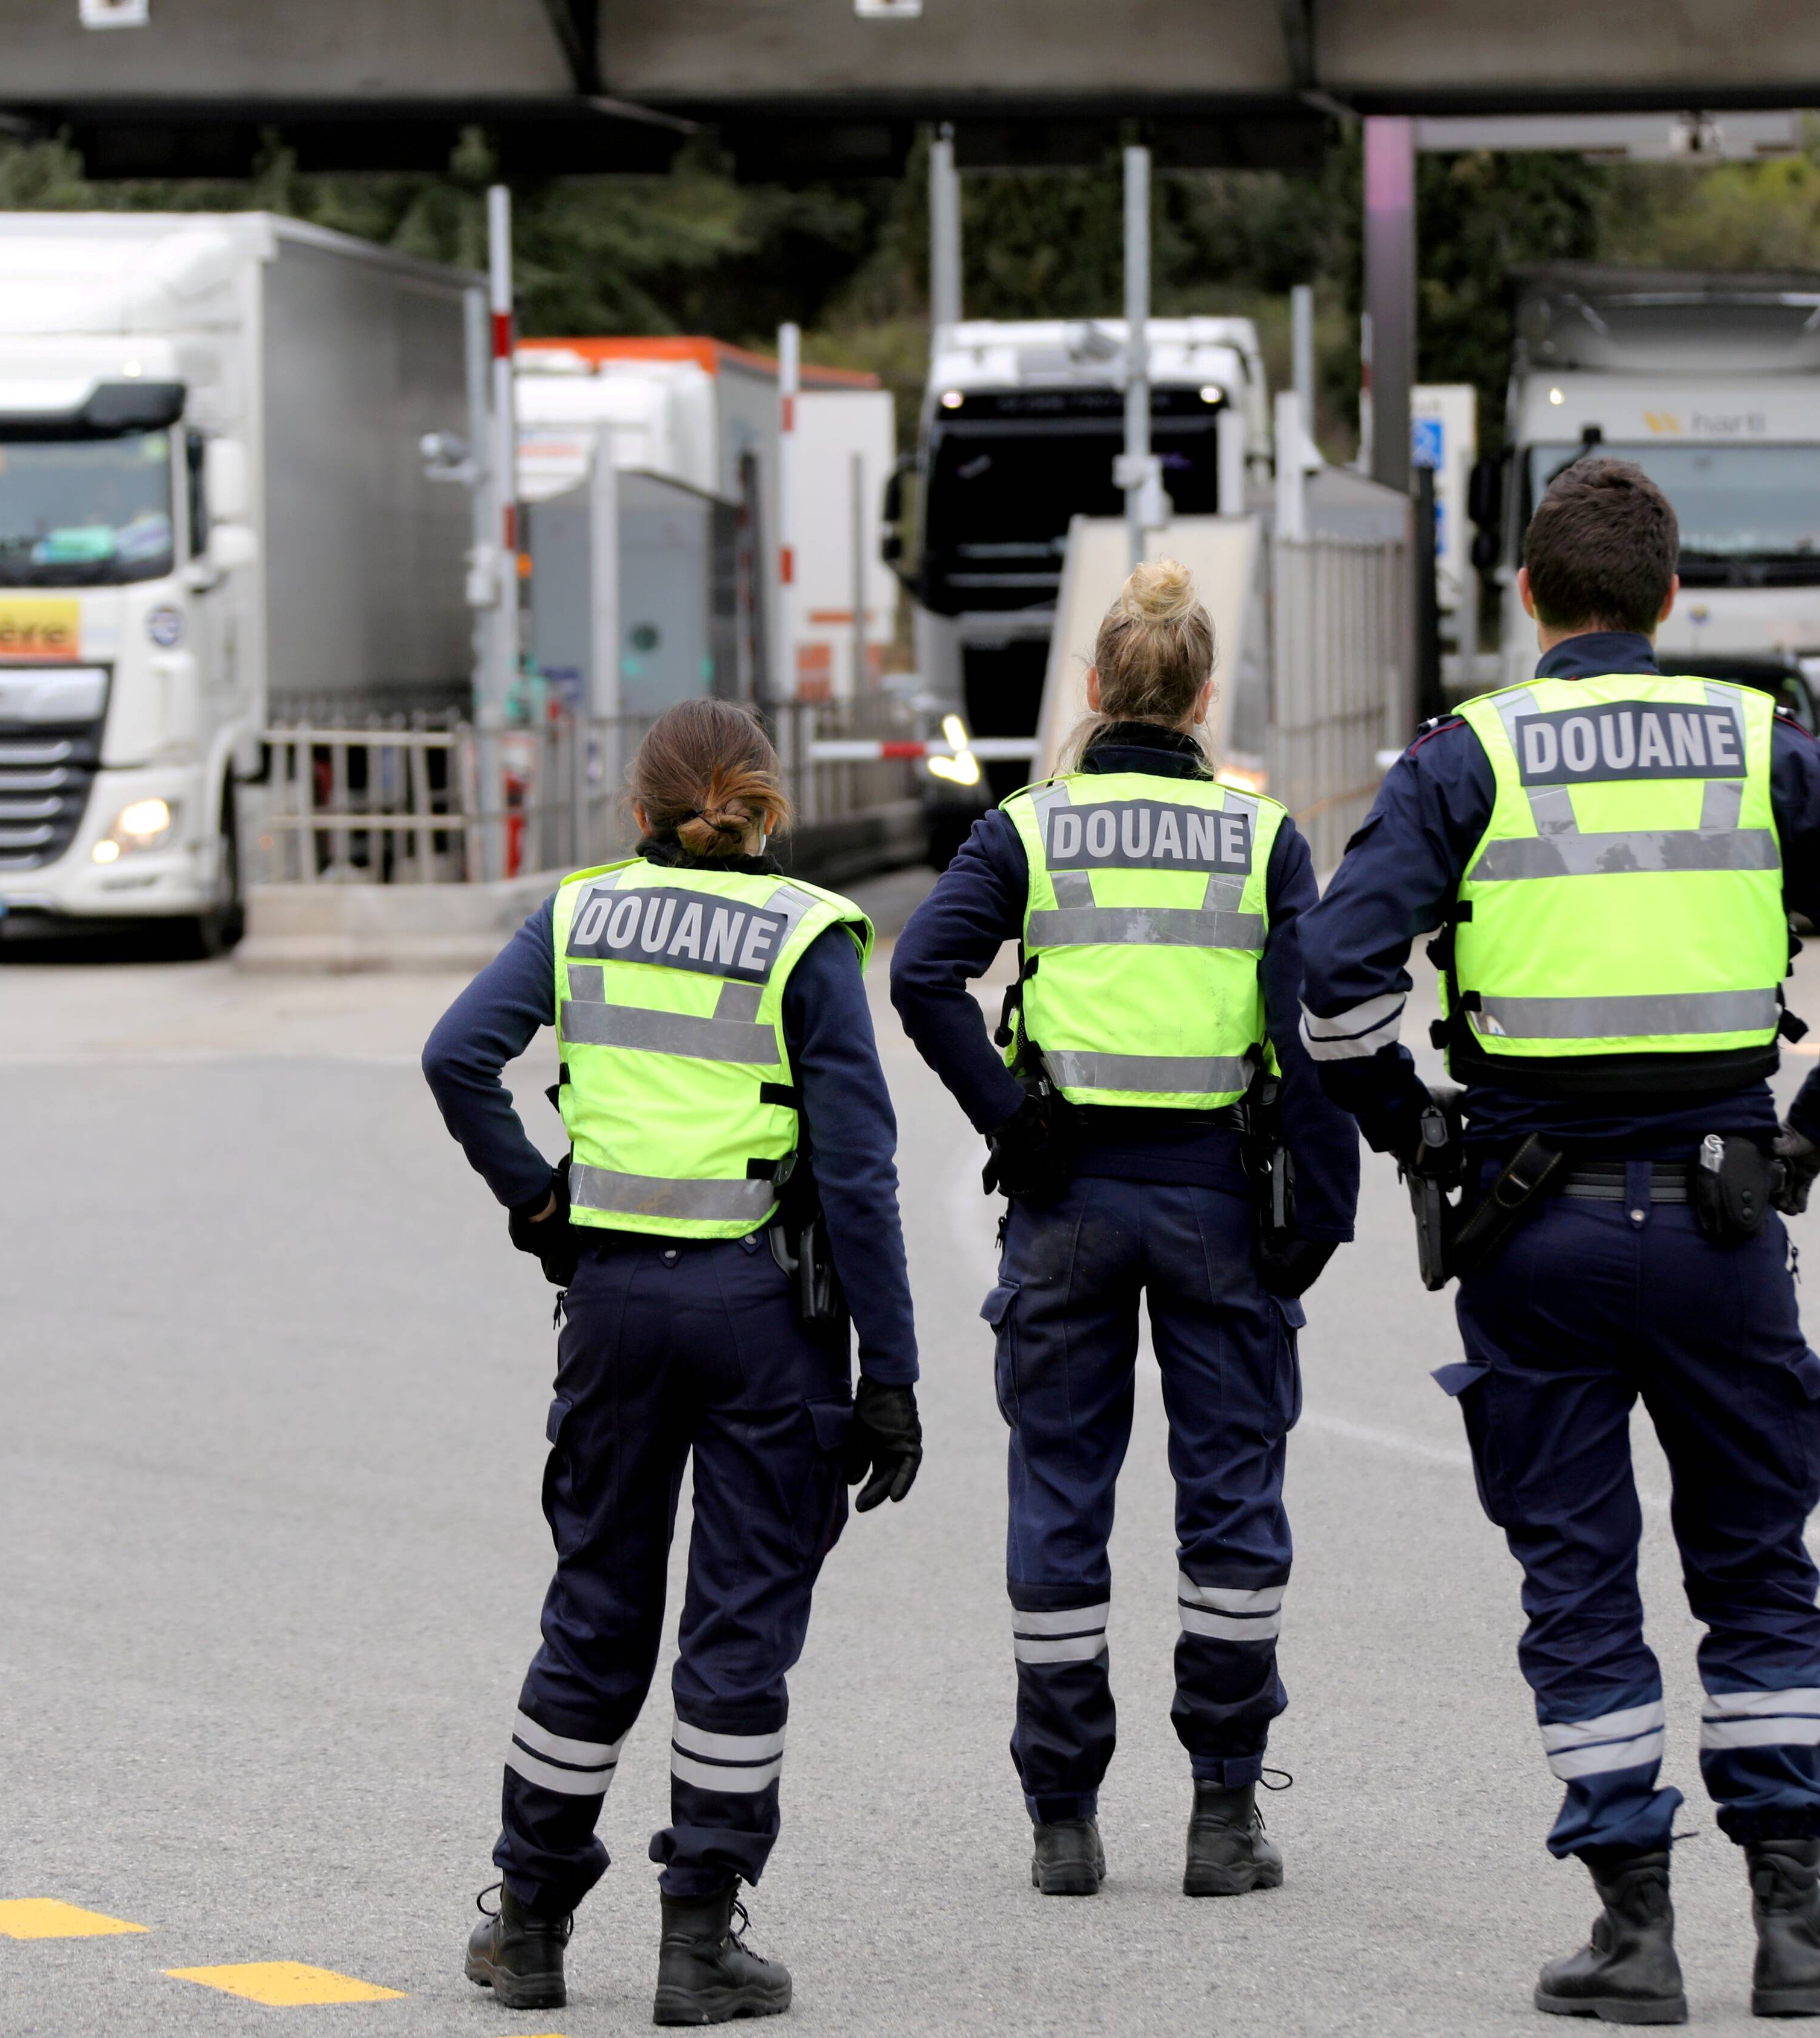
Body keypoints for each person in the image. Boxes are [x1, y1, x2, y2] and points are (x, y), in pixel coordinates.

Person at [1297, 459, 1820, 2022]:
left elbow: (1334, 987)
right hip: (1728, 1217)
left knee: (1580, 1574)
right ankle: (1797, 1926)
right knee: (1755, 1563)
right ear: (1671, 600)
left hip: (1535, 1228)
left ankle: (1632, 1928)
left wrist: (1416, 1127)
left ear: (1531, 598)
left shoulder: (1470, 757)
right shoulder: (1761, 746)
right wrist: (1816, 1131)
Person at [421, 698, 922, 2025]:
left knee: (595, 1608)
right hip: (765, 1319)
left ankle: (527, 1924)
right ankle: (697, 1947)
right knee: (737, 1630)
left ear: (635, 810)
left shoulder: (577, 913)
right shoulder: (804, 936)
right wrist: (893, 1373)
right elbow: (860, 1176)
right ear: (765, 804)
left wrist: (540, 1201)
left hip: (613, 1312)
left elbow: (456, 1054)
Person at [890, 558, 1360, 1899]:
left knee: (1059, 1503)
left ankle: (1062, 1820)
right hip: (1218, 1197)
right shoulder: (1260, 839)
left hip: (1067, 1204)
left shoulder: (1026, 829)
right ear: (1203, 695)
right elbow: (1310, 1035)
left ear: (1094, 689)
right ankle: (1221, 1816)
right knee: (1230, 1515)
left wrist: (1008, 1117)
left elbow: (920, 972)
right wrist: (1314, 1217)